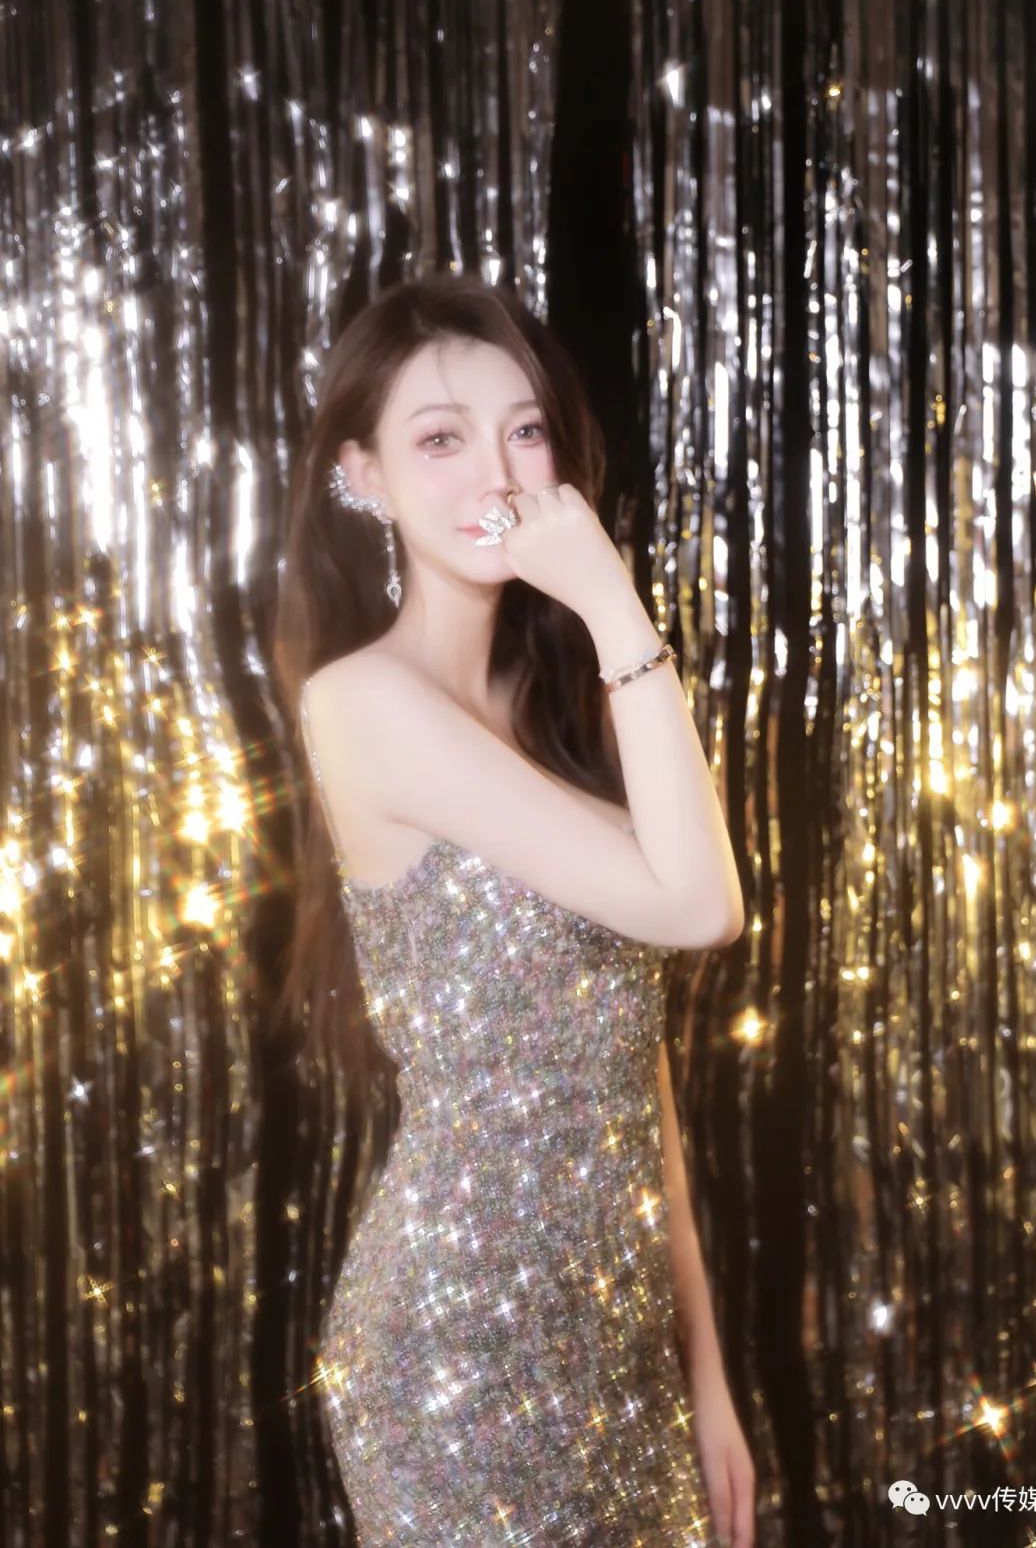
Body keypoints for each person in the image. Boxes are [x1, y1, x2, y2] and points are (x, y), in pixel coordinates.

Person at [271, 271, 755, 1545]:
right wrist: (613, 599)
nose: (496, 474)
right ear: (364, 477)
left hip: (620, 1339)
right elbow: (702, 904)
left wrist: (703, 1374)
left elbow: (634, 1071)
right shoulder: (362, 706)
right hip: (458, 1360)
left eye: (524, 430)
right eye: (440, 439)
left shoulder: (564, 710)